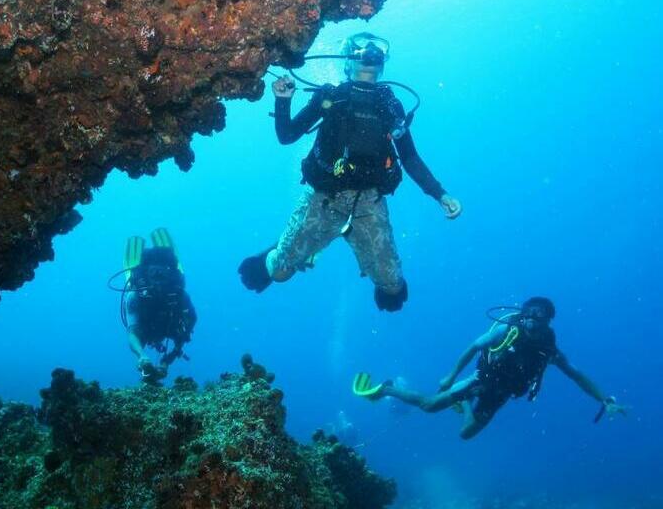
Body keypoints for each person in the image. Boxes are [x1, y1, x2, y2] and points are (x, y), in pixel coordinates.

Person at [238, 32, 461, 312]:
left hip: (370, 204)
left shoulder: (391, 106)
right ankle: (279, 250)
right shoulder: (329, 96)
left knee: (393, 291)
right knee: (280, 273)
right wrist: (282, 100)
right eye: (360, 48)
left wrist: (440, 194)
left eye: (376, 49)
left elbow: (410, 157)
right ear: (348, 60)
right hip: (323, 199)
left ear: (381, 63)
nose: (369, 53)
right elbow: (287, 136)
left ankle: (311, 242)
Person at [353, 297, 627, 439]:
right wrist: (450, 376)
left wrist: (604, 399)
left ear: (548, 322)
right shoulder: (508, 331)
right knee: (429, 405)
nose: (531, 324)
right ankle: (388, 388)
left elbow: (577, 376)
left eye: (538, 319)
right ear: (522, 315)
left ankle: (464, 405)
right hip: (479, 378)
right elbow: (474, 346)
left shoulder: (549, 350)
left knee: (466, 434)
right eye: (528, 317)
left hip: (502, 394)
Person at [119, 228, 196, 383]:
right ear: (146, 274)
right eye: (154, 273)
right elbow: (132, 332)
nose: (158, 279)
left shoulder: (179, 296)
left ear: (170, 274)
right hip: (147, 328)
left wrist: (166, 362)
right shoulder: (135, 296)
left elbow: (184, 334)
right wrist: (141, 356)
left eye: (162, 273)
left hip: (165, 326)